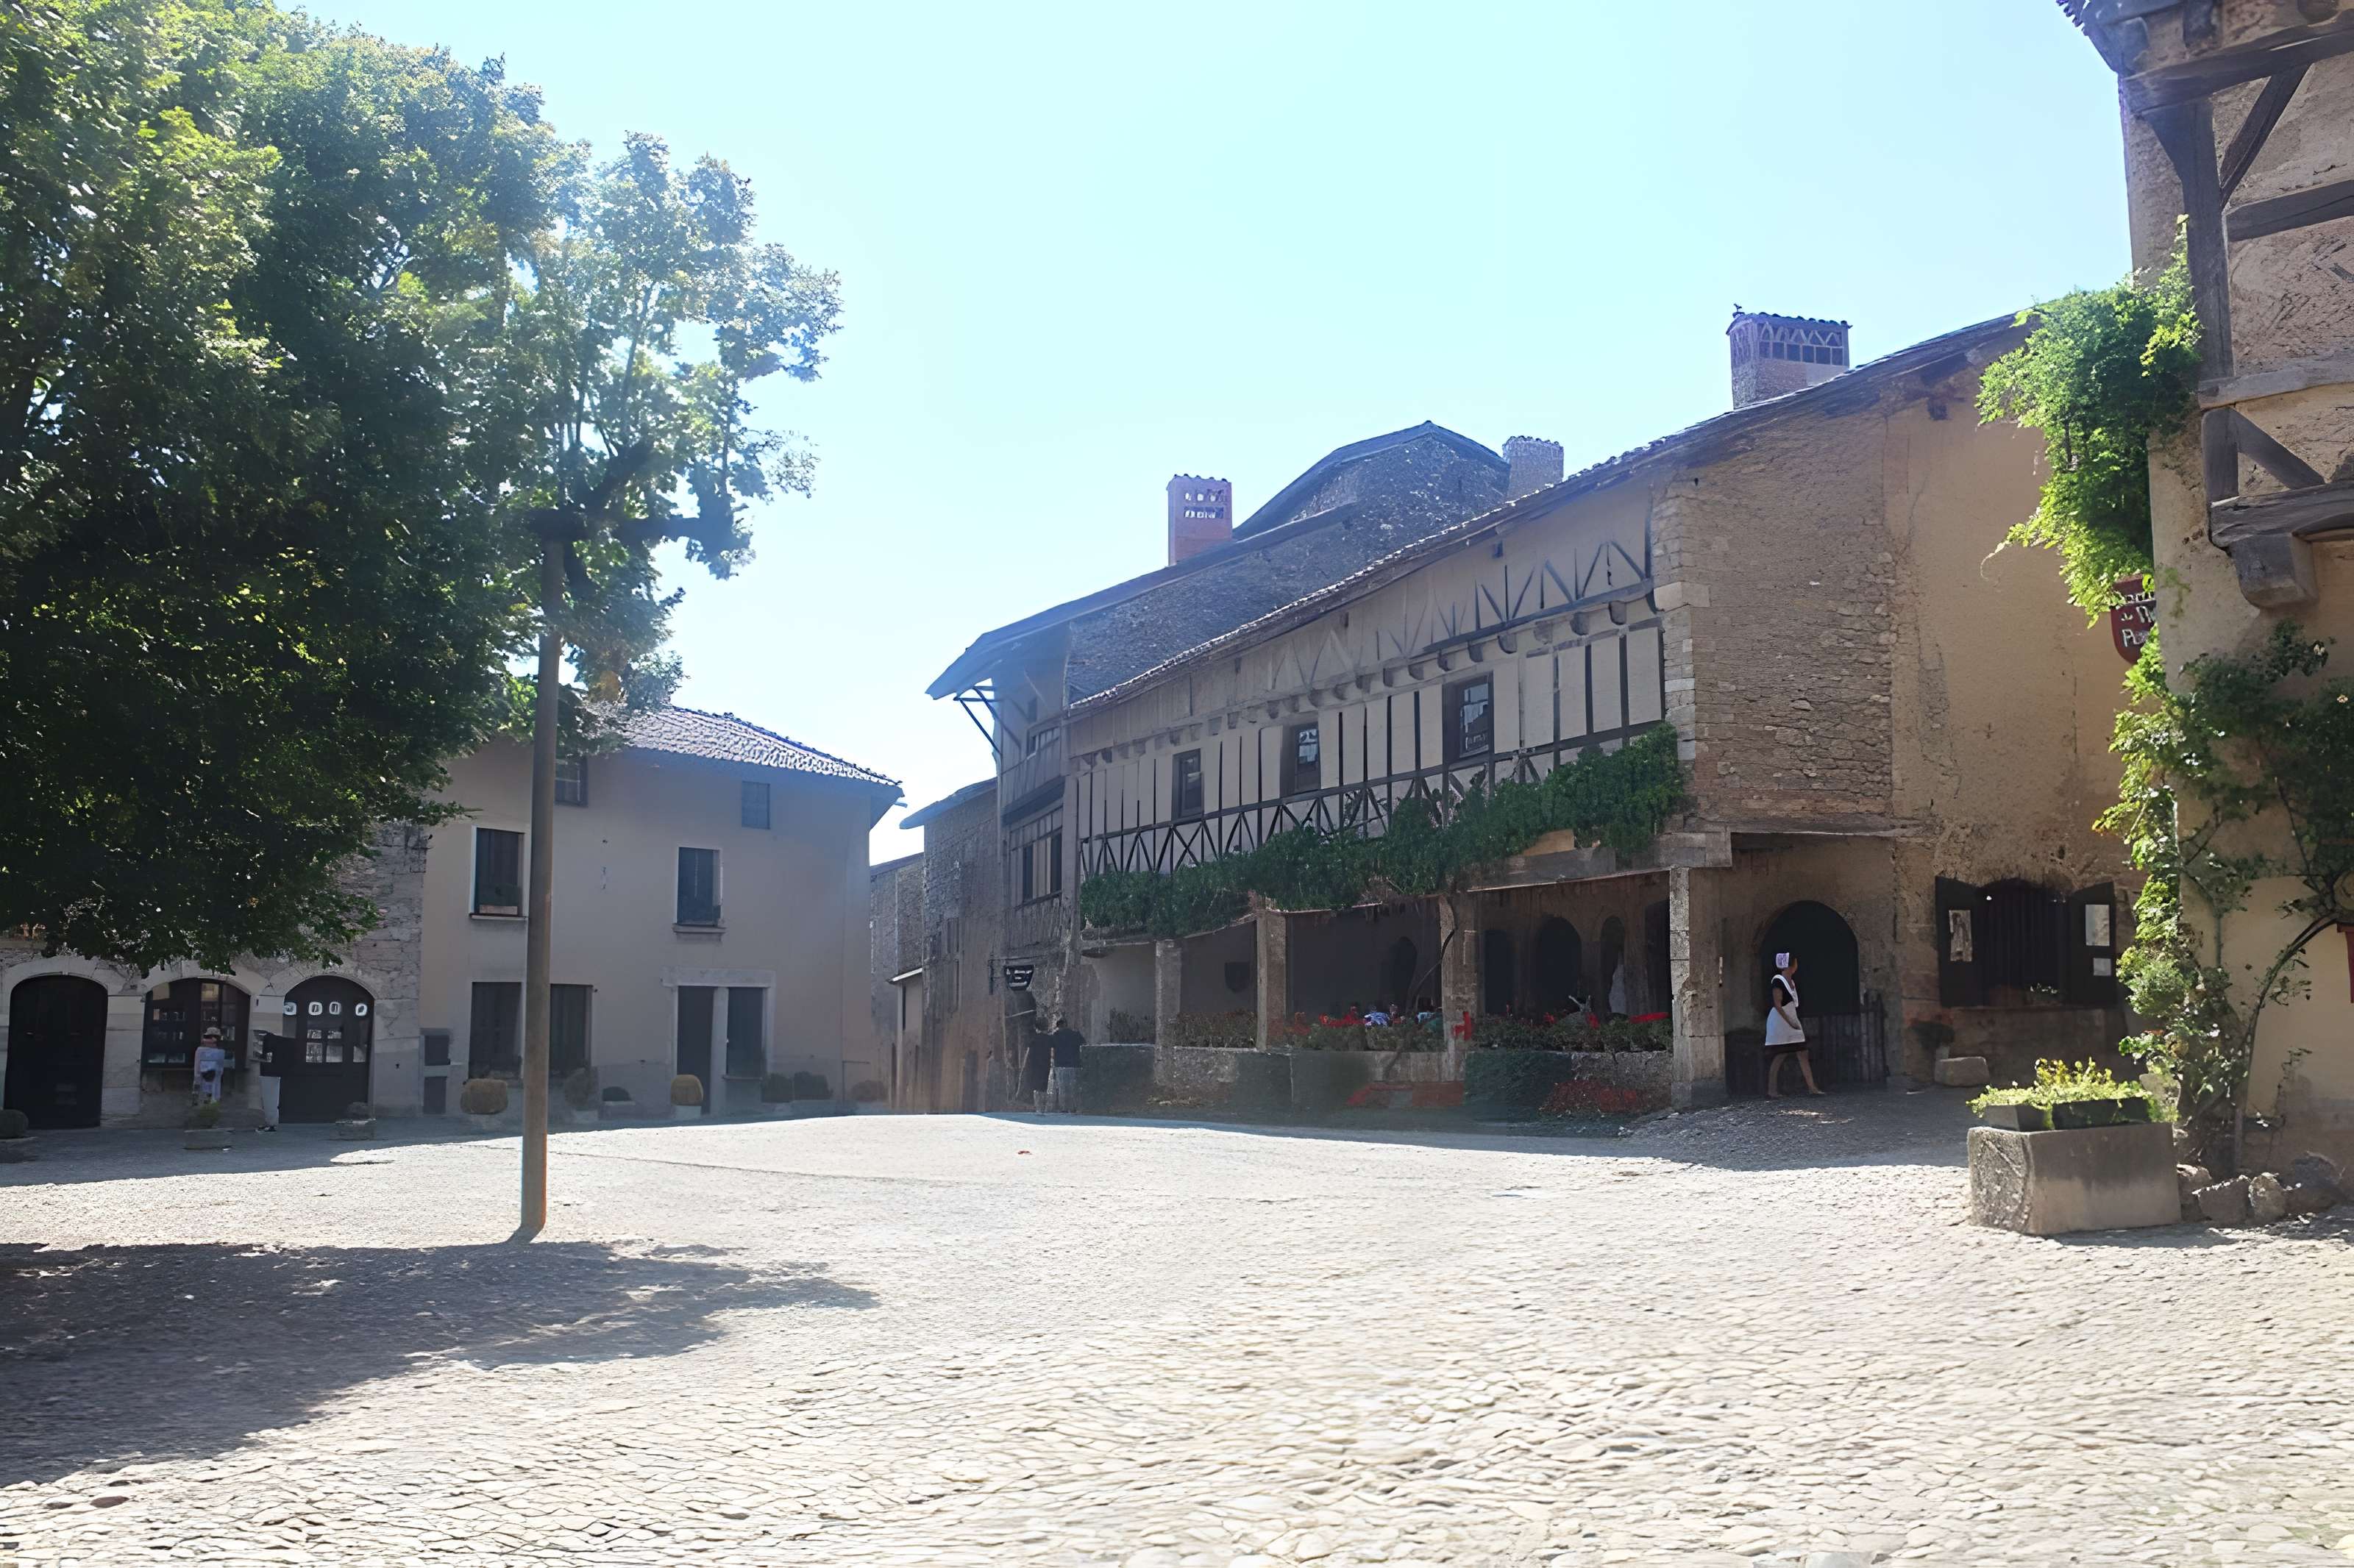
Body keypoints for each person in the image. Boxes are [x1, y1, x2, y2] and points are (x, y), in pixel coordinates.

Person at [1763, 952, 1824, 1098]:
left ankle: (1812, 1088)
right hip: (1781, 1021)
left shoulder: (1791, 982)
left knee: (1802, 1052)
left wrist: (1793, 1021)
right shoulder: (1778, 980)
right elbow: (1778, 1005)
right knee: (1780, 1054)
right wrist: (1790, 1022)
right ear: (1792, 965)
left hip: (1791, 1019)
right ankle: (1771, 1090)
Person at [1048, 1016, 1084, 1112]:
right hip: (1074, 1064)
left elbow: (1050, 1047)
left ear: (1058, 1026)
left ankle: (1064, 1108)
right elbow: (1084, 1044)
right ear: (1066, 1025)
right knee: (1074, 1087)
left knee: (1063, 1088)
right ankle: (1074, 1108)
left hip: (1060, 1065)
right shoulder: (1076, 1035)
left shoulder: (1055, 1036)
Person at [254, 1030, 285, 1130]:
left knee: (269, 1100)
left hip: (269, 1074)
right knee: (270, 1100)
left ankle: (271, 1123)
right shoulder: (277, 1045)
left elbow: (266, 1058)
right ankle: (270, 1123)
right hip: (272, 1074)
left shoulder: (269, 1045)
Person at [1022, 1020, 1052, 1113]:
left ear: (1037, 1028)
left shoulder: (1033, 1039)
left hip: (1034, 1065)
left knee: (1036, 1087)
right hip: (1046, 1064)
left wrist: (1024, 1066)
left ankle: (1038, 1107)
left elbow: (1028, 1053)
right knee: (1044, 1087)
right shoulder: (1049, 1039)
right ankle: (1043, 1107)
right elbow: (1053, 1052)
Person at [192, 1027, 227, 1106]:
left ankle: (202, 1102)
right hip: (214, 1078)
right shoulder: (220, 1051)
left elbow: (197, 1068)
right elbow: (220, 1069)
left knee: (203, 1091)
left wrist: (197, 1077)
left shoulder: (200, 1050)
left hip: (203, 1077)